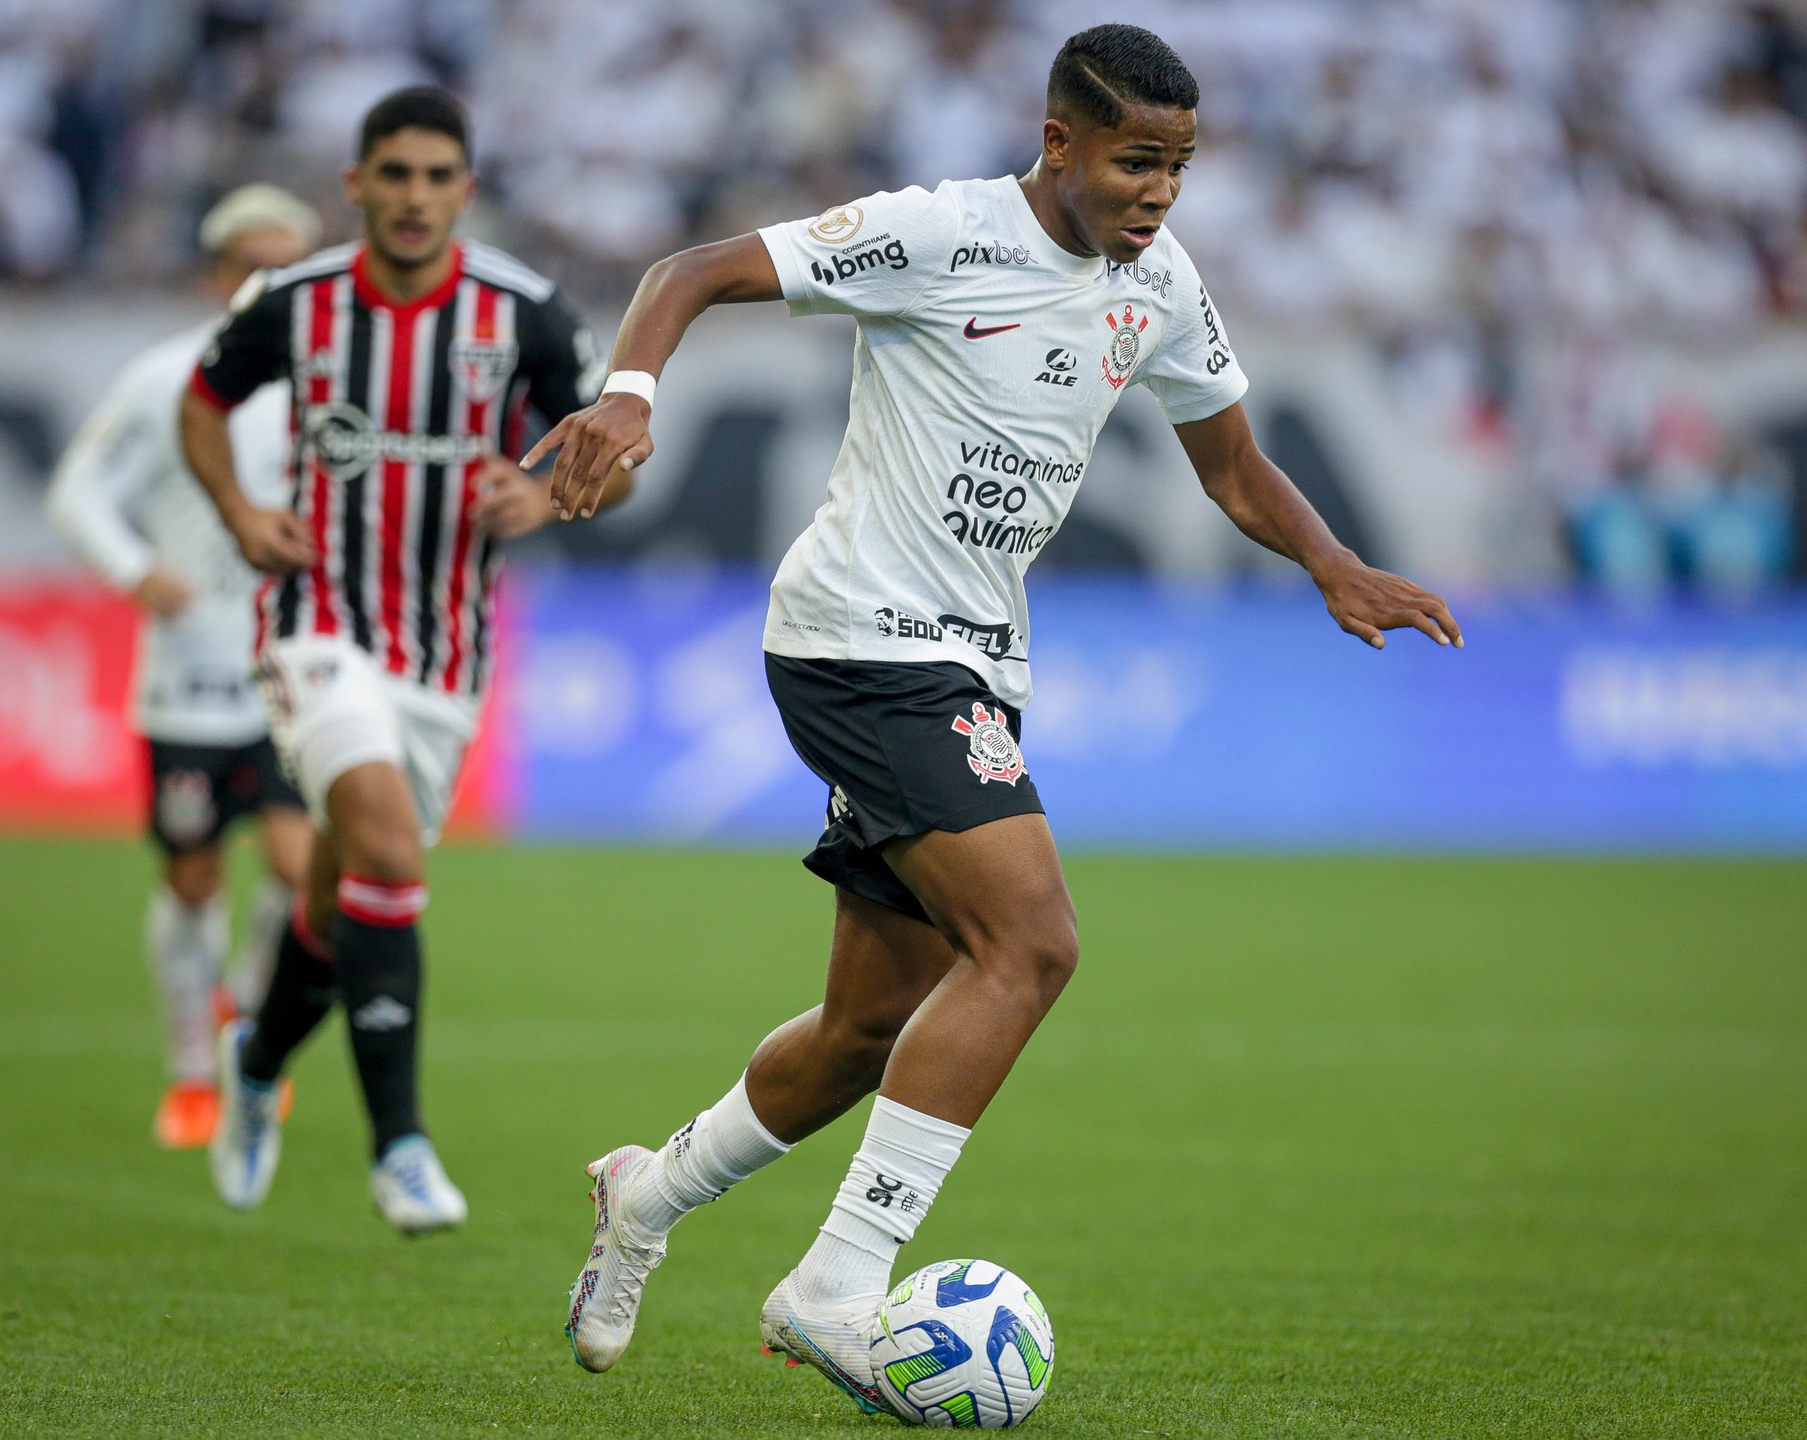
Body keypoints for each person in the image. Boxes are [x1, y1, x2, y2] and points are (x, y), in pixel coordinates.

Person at [526, 22, 1463, 1411]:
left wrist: (1332, 563)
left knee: (868, 1025)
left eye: (1181, 168)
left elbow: (1234, 466)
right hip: (859, 640)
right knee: (1030, 944)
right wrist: (628, 395)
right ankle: (838, 1287)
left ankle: (646, 1196)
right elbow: (695, 270)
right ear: (1059, 142)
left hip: (973, 662)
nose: (1160, 192)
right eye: (1138, 161)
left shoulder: (1163, 284)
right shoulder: (935, 234)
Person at [179, 87, 616, 1233]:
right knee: (376, 836)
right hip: (313, 622)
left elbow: (604, 455)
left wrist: (544, 489)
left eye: (438, 177)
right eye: (396, 174)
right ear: (356, 185)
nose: (415, 197)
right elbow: (203, 400)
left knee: (341, 895)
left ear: (464, 191)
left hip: (445, 656)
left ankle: (258, 1062)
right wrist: (234, 509)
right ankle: (403, 1149)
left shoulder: (522, 312)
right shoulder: (296, 301)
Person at [46, 185, 321, 1150]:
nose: (269, 283)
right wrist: (135, 570)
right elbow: (78, 489)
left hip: (298, 670)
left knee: (299, 870)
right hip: (189, 681)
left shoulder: (332, 379)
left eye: (288, 265)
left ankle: (244, 1025)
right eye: (252, 264)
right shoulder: (168, 378)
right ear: (215, 272)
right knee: (195, 878)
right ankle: (192, 1073)